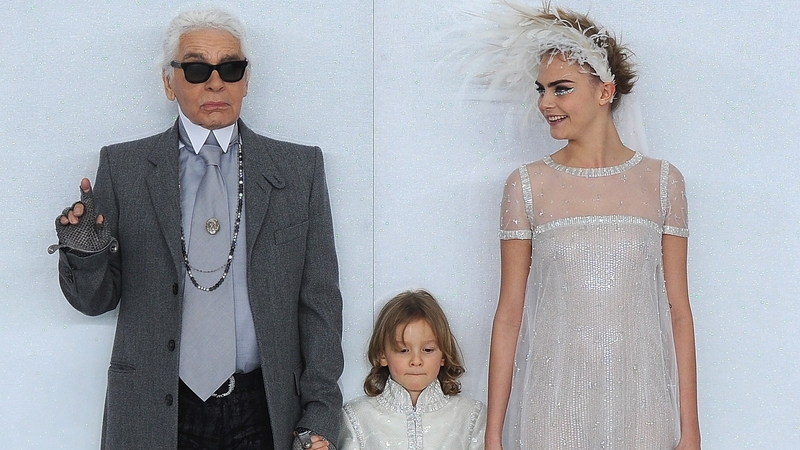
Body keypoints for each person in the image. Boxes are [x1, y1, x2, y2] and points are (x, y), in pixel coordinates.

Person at [51, 8, 342, 450]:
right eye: (196, 68)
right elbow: (96, 301)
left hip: (266, 407)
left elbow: (320, 303)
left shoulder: (299, 171)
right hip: (155, 407)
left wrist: (320, 413)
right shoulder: (124, 168)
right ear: (169, 82)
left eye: (230, 67)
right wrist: (86, 254)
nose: (214, 81)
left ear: (247, 79)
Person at [474, 2, 701, 449]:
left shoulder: (662, 182)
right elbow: (508, 316)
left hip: (642, 405)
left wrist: (690, 430)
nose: (545, 103)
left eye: (560, 89)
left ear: (605, 92)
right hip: (553, 405)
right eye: (540, 89)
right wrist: (494, 434)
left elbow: (679, 312)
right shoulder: (526, 185)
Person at [341, 290, 486, 449]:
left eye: (428, 350)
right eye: (403, 350)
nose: (416, 361)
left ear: (443, 355)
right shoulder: (357, 417)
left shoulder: (470, 415)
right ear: (382, 355)